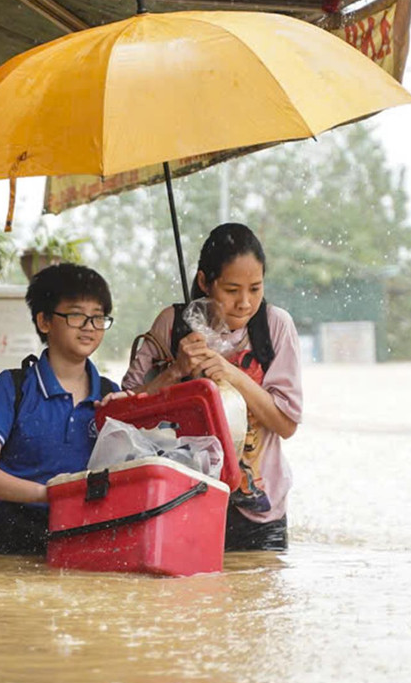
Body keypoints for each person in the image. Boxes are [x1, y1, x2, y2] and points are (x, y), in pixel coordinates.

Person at [122, 223, 303, 552]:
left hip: (259, 515)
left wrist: (233, 376)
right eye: (232, 290)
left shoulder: (275, 326)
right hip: (180, 503)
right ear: (205, 282)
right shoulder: (171, 325)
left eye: (256, 289)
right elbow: (122, 419)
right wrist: (175, 371)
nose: (245, 303)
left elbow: (286, 424)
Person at [0, 263, 120, 555]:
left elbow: (126, 477)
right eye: (76, 315)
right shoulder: (12, 388)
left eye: (98, 318)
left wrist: (123, 427)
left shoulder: (112, 396)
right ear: (45, 321)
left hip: (82, 543)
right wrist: (49, 496)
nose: (89, 327)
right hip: (7, 547)